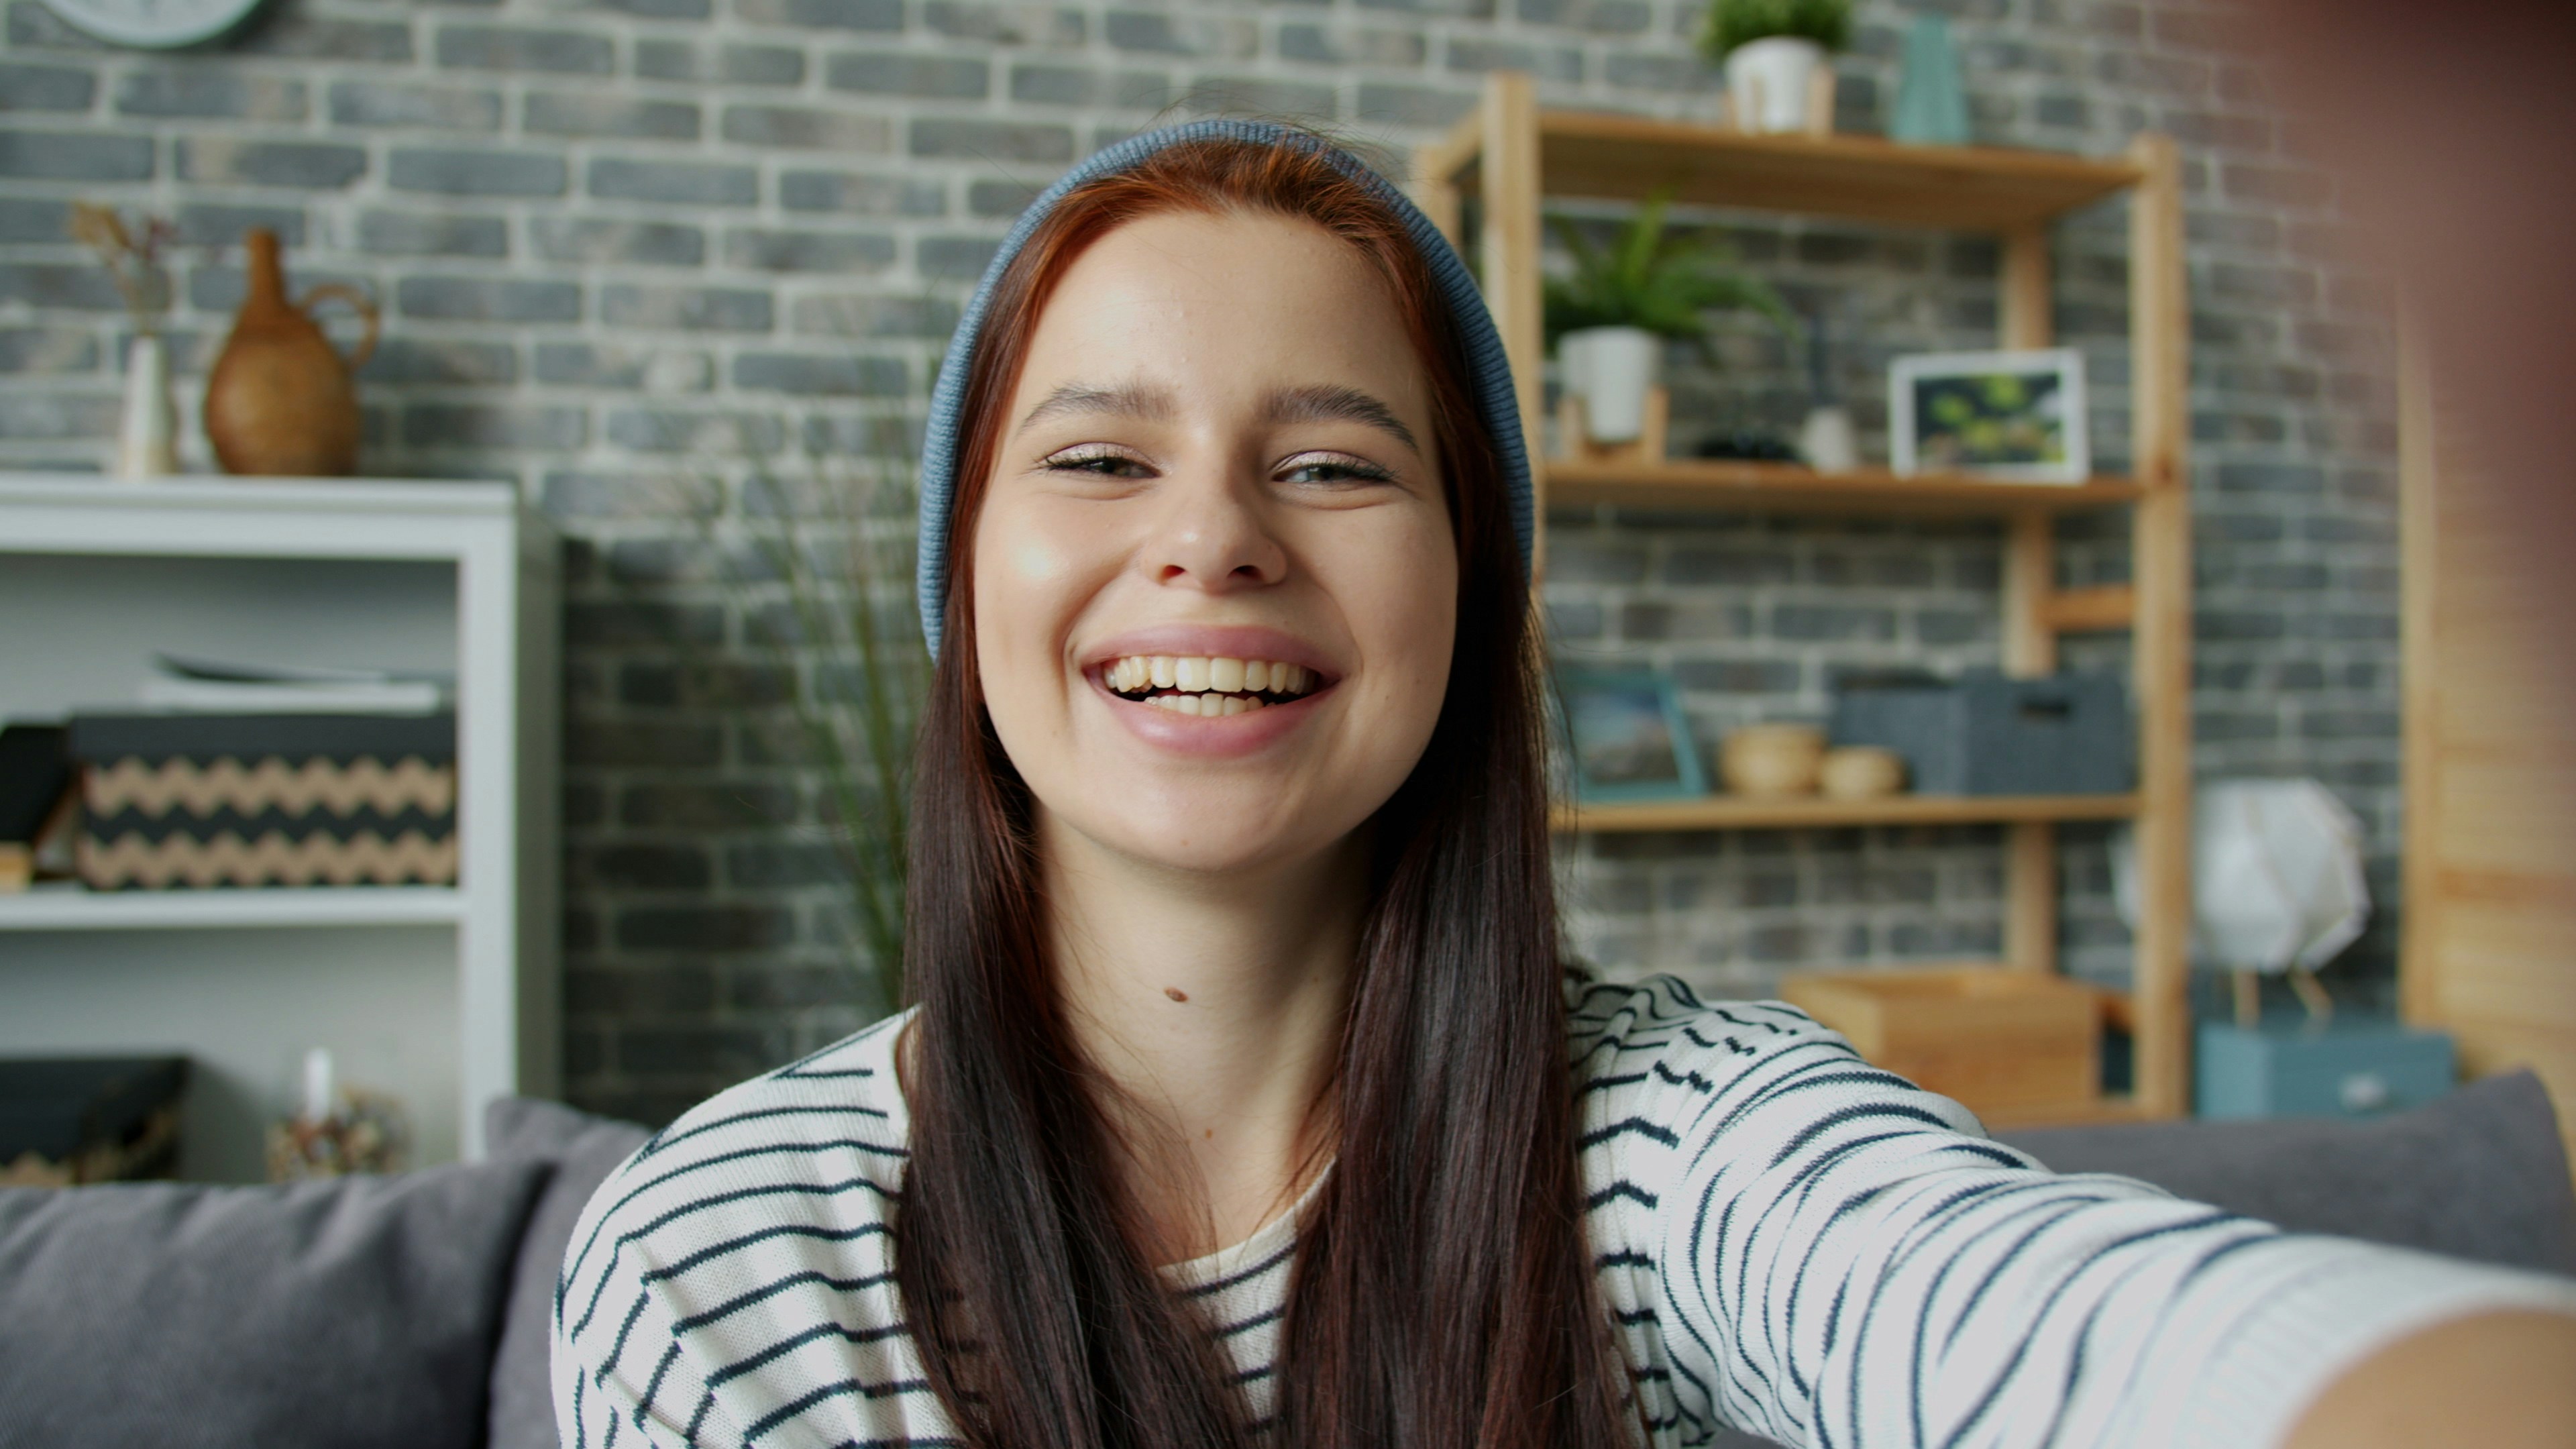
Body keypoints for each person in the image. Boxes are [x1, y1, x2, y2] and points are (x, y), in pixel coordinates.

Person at [552, 119, 2576, 1449]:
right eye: (1097, 459)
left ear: (1471, 592)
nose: (1215, 538)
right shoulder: (720, 1265)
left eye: (1333, 462)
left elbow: (2032, 1312)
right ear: (964, 574)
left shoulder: (1678, 1148)